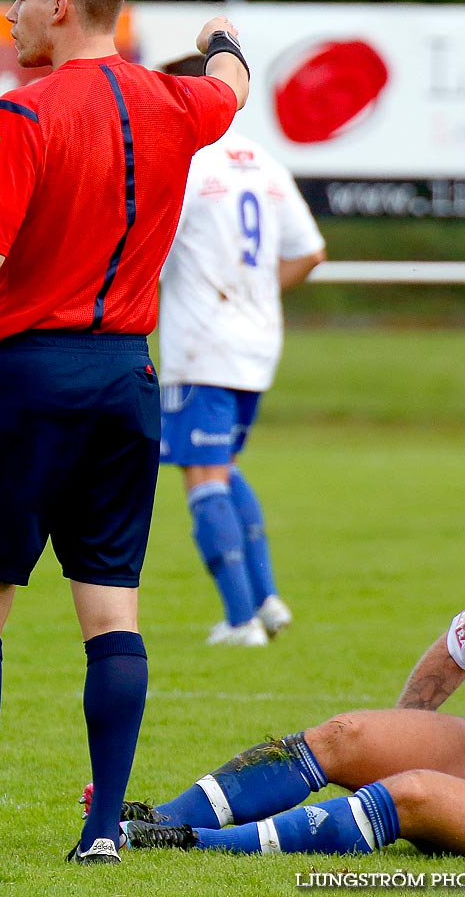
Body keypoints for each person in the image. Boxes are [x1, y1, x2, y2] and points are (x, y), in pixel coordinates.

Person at [0, 0, 249, 865]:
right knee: (111, 608)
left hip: (27, 376)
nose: (9, 11)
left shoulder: (22, 113)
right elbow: (233, 89)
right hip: (126, 378)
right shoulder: (181, 102)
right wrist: (223, 39)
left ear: (60, 5)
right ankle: (101, 834)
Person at [108, 463, 465, 863]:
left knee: (412, 793)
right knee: (345, 735)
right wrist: (403, 735)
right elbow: (451, 654)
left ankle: (196, 843)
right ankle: (167, 816)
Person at [156, 54, 326, 647]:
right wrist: (255, 293)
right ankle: (266, 598)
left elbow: (147, 247)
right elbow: (311, 251)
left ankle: (239, 621)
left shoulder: (185, 163)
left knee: (202, 472)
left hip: (202, 341)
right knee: (222, 466)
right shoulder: (266, 162)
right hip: (258, 341)